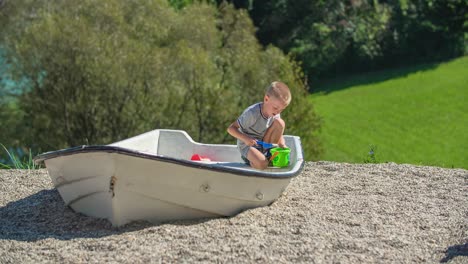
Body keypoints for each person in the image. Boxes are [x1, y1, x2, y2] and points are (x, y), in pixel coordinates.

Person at [227, 81, 292, 170]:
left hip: (263, 143)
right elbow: (231, 129)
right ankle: (257, 162)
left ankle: (268, 156)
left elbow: (279, 133)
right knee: (262, 164)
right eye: (276, 108)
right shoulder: (252, 114)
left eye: (281, 110)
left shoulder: (275, 113)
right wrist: (246, 139)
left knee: (280, 123)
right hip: (248, 146)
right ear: (266, 99)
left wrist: (282, 144)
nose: (277, 112)